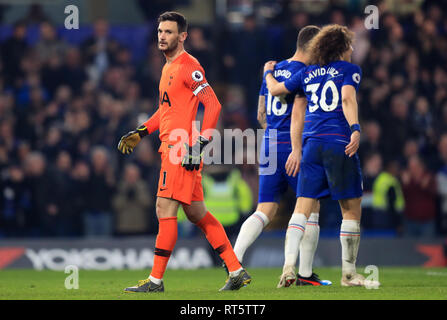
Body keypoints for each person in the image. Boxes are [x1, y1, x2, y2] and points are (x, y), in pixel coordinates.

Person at [117, 11, 250, 292]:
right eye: (160, 32)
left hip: (180, 149)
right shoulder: (168, 67)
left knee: (163, 207)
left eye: (169, 32)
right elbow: (166, 111)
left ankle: (155, 281)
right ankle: (236, 270)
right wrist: (142, 132)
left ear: (183, 36)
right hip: (176, 147)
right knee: (197, 213)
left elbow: (213, 105)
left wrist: (199, 143)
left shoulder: (189, 67)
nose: (162, 37)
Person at [264, 24, 379, 288]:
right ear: (340, 48)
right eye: (349, 45)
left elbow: (277, 90)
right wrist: (355, 129)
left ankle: (288, 266)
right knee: (350, 209)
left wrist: (268, 73)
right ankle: (349, 274)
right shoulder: (350, 70)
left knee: (301, 208)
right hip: (338, 142)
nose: (352, 49)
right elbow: (348, 99)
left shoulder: (307, 73)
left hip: (311, 145)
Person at [232, 25, 330, 287]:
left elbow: (260, 115)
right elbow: (300, 112)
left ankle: (234, 262)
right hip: (293, 144)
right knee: (311, 208)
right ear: (312, 46)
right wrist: (296, 146)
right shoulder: (306, 73)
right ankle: (305, 274)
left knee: (264, 209)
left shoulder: (272, 71)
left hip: (269, 143)